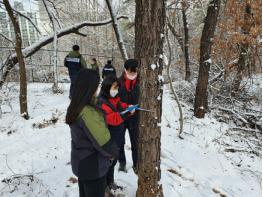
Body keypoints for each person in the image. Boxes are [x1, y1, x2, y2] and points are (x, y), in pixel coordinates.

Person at [65, 69, 118, 197]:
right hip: (93, 167)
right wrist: (114, 153)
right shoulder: (88, 112)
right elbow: (104, 142)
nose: (98, 88)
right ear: (90, 87)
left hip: (82, 162)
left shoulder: (76, 105)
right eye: (97, 85)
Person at [98, 75, 134, 190]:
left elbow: (119, 104)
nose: (116, 90)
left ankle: (110, 182)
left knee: (113, 161)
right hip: (108, 138)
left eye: (117, 88)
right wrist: (127, 113)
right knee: (107, 162)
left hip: (117, 137)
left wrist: (128, 106)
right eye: (114, 88)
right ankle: (104, 187)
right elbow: (112, 118)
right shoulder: (102, 102)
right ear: (107, 87)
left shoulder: (113, 98)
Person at [118, 59, 140, 174]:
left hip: (135, 118)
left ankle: (136, 164)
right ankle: (122, 162)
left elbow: (145, 99)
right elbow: (114, 101)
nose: (132, 75)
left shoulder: (141, 82)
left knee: (135, 142)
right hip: (121, 118)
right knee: (120, 142)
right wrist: (126, 107)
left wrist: (136, 107)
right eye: (130, 72)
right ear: (125, 70)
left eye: (134, 72)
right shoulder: (118, 82)